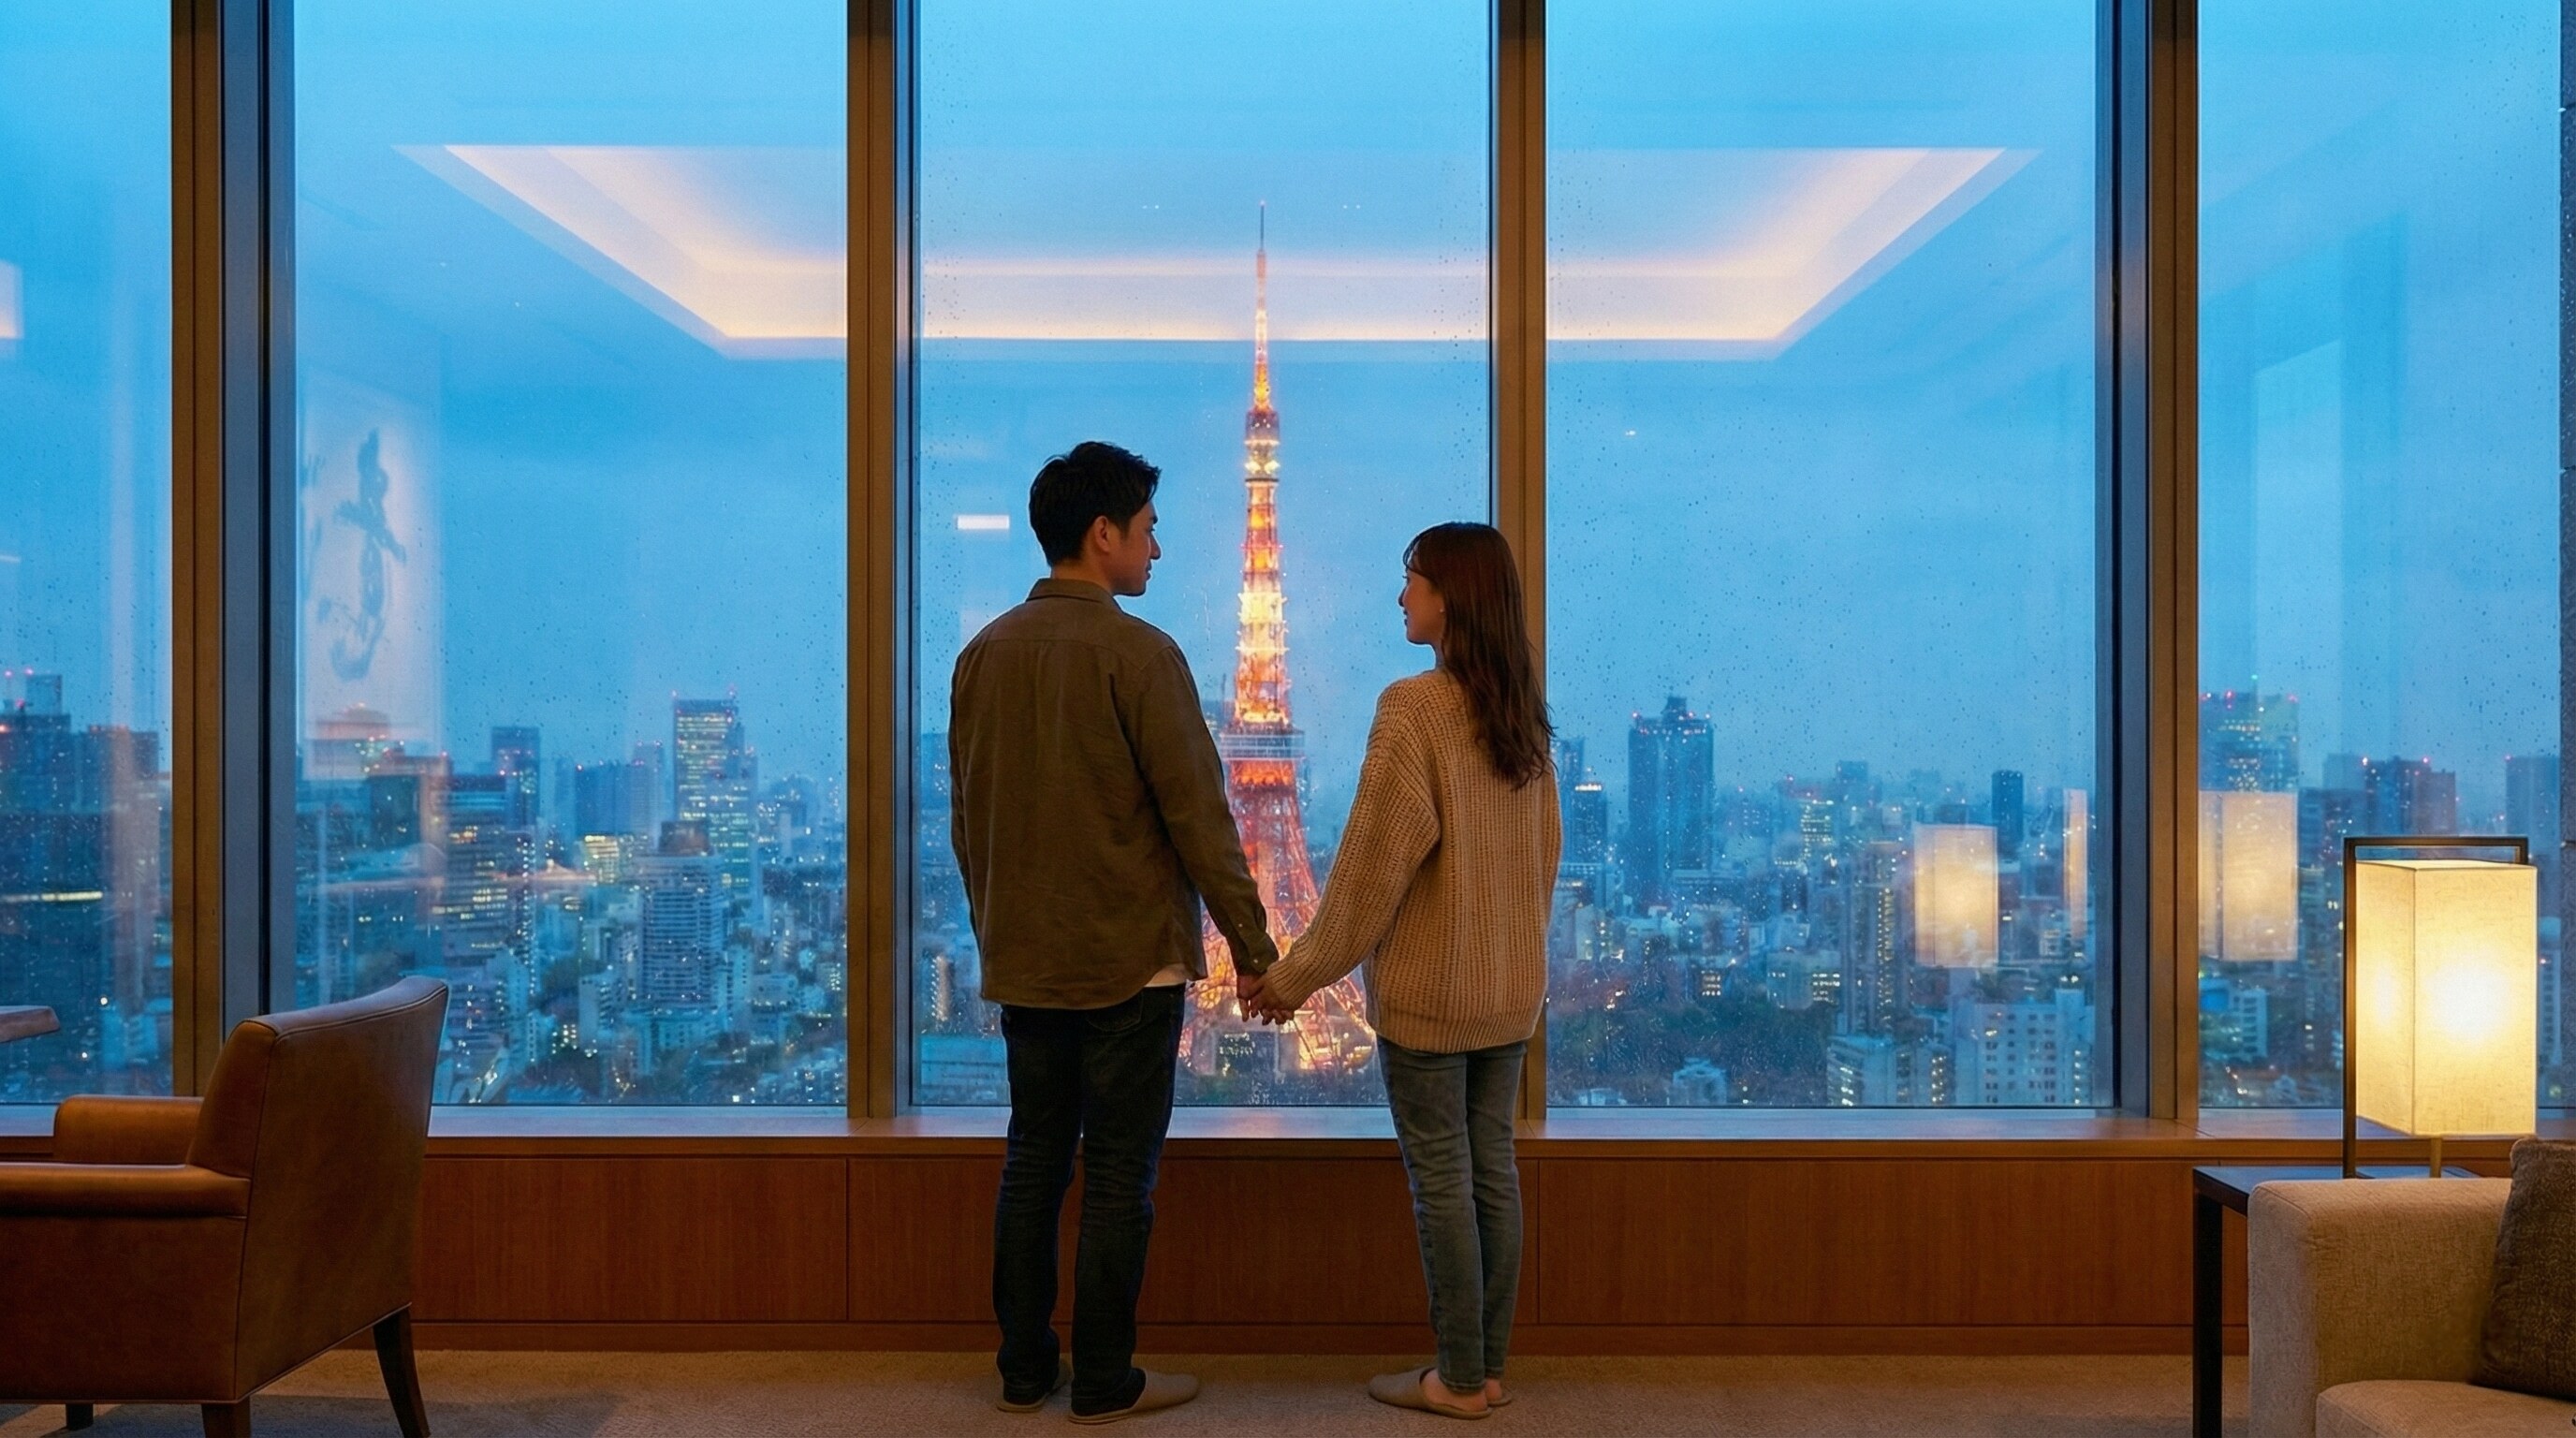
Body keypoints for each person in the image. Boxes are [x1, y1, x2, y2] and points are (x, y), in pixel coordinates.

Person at [950, 440, 1280, 1424]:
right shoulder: (1142, 655)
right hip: (1129, 967)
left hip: (1027, 962)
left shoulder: (983, 654)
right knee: (1118, 1178)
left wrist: (998, 934)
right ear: (1103, 535)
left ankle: (1020, 1367)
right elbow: (1200, 823)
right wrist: (1257, 953)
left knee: (1033, 1159)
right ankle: (1103, 1375)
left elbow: (970, 818)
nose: (1157, 550)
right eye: (1146, 529)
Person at [1245, 521, 1560, 1419]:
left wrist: (1296, 978)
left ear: (1449, 598)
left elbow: (1371, 873)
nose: (1400, 596)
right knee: (1491, 1170)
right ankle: (1487, 1368)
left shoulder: (1415, 709)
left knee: (1443, 1183)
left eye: (1412, 580)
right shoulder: (1523, 719)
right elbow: (1544, 862)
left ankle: (1457, 1380)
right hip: (1507, 995)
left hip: (1431, 997)